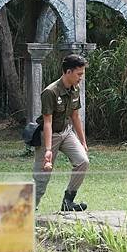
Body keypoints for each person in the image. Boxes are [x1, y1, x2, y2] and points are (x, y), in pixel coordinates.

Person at [33, 54, 90, 211]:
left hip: (67, 132)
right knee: (43, 174)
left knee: (83, 161)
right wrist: (48, 150)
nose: (81, 78)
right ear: (68, 72)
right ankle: (29, 210)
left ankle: (68, 202)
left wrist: (83, 142)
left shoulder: (75, 89)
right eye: (79, 74)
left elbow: (75, 116)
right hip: (50, 134)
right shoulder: (50, 92)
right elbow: (48, 122)